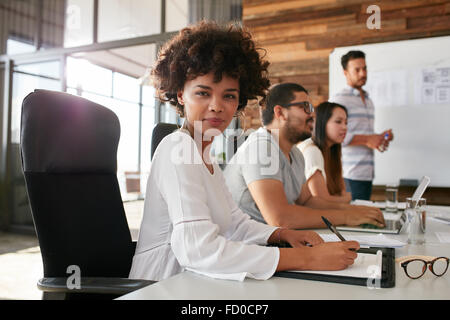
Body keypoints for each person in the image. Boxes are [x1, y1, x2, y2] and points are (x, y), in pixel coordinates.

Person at [128, 22, 360, 282]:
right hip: (161, 286)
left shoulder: (206, 156)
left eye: (228, 96)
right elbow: (197, 250)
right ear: (181, 94)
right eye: (203, 93)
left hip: (197, 281)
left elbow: (235, 223)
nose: (217, 106)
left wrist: (281, 235)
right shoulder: (178, 148)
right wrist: (308, 258)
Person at [224, 82, 385, 230]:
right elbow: (280, 218)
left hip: (272, 243)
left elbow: (307, 201)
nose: (313, 115)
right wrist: (346, 216)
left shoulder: (295, 153)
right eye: (305, 107)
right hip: (247, 248)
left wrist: (355, 210)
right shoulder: (260, 147)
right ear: (280, 112)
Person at [330, 50, 394, 201]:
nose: (362, 73)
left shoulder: (369, 100)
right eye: (357, 70)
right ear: (345, 72)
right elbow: (332, 135)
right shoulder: (339, 99)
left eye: (364, 68)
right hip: (349, 175)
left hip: (367, 173)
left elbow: (366, 135)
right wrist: (367, 140)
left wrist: (382, 137)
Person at [297, 101, 352, 203]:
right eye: (338, 122)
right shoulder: (311, 150)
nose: (345, 127)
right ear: (322, 123)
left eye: (346, 123)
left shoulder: (331, 151)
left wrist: (342, 197)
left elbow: (339, 192)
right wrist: (347, 198)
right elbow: (321, 201)